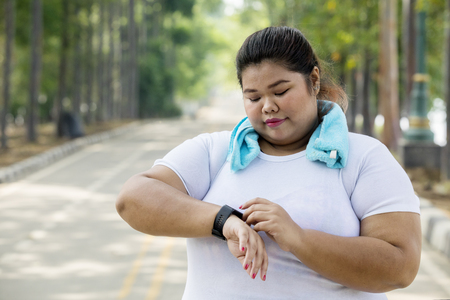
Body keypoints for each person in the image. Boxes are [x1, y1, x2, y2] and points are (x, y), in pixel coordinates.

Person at [116, 26, 421, 299]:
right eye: (253, 97)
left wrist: (298, 239)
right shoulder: (216, 151)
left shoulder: (364, 157)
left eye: (281, 91)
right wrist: (224, 222)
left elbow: (400, 266)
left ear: (313, 81)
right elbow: (133, 199)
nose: (268, 106)